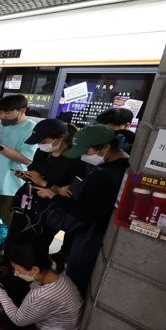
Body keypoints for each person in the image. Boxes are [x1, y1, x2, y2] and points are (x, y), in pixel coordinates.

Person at [57, 125, 129, 295]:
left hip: (91, 236)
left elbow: (88, 213)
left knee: (76, 282)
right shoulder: (123, 165)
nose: (82, 157)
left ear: (105, 148)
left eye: (85, 152)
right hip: (93, 234)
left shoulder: (107, 175)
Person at [7, 119, 81, 250]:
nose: (40, 144)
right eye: (38, 141)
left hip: (48, 213)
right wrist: (26, 176)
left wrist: (44, 183)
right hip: (27, 204)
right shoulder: (42, 153)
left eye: (43, 141)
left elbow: (67, 193)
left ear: (61, 137)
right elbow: (35, 172)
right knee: (13, 238)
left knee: (33, 247)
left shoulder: (74, 161)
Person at [0, 242, 83, 330]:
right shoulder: (58, 274)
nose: (16, 273)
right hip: (67, 326)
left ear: (35, 269)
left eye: (17, 269)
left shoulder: (40, 295)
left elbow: (18, 320)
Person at [0, 94, 39, 226]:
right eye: (0, 112)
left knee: (0, 224)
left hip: (8, 187)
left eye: (7, 113)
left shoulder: (31, 129)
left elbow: (27, 159)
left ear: (22, 110)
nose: (2, 116)